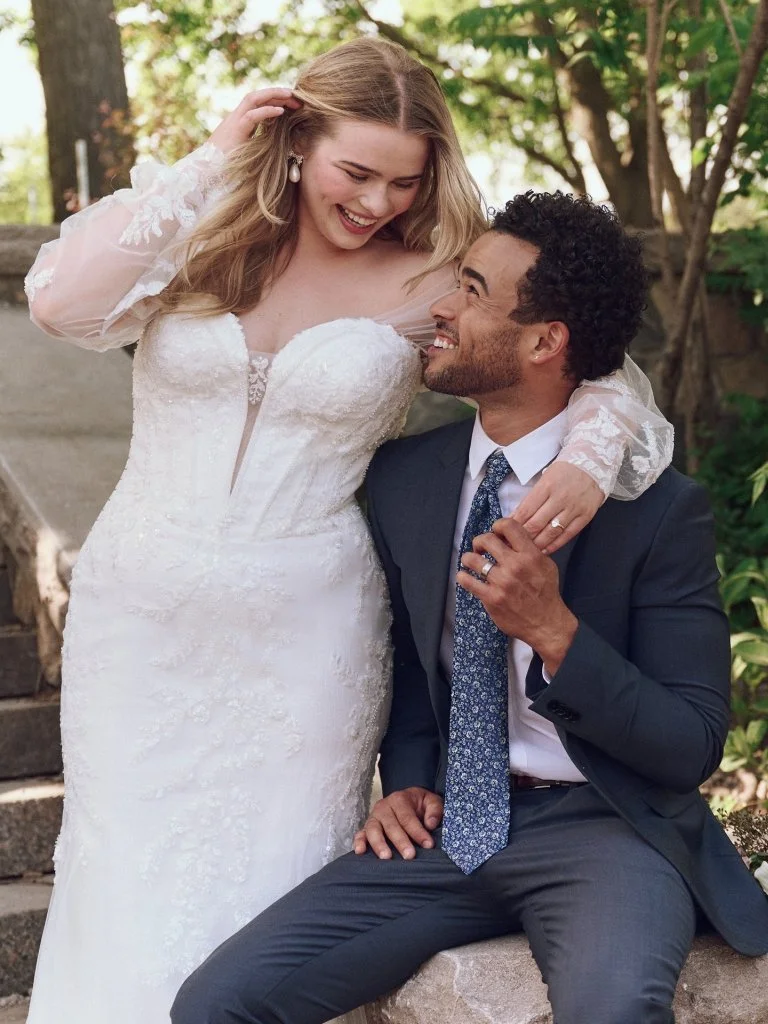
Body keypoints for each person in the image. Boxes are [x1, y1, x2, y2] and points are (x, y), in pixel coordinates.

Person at [24, 39, 673, 1024]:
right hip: (136, 621)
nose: (377, 203)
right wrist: (209, 161)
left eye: (403, 182)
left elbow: (590, 365)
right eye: (355, 171)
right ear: (294, 142)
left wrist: (587, 458)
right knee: (116, 877)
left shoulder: (432, 281)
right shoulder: (201, 239)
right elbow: (56, 301)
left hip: (305, 633)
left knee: (268, 888)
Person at [171, 191, 768, 1024]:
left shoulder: (658, 512)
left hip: (605, 828)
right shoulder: (407, 476)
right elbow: (415, 668)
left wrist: (556, 634)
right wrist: (409, 782)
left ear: (545, 341)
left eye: (475, 292)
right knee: (217, 1004)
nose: (442, 308)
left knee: (613, 1012)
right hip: (450, 828)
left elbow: (692, 744)